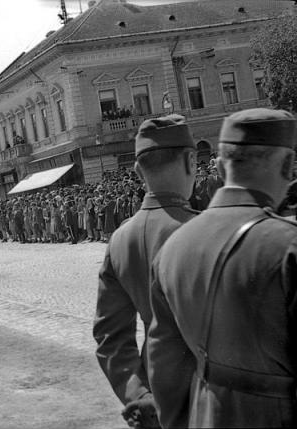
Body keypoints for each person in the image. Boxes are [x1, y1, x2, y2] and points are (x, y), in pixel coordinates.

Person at [147, 108, 297, 428]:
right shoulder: (287, 245)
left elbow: (164, 367)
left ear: (218, 166)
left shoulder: (171, 249)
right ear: (288, 165)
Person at [93, 114, 197, 429]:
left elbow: (110, 336)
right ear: (191, 161)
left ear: (139, 171)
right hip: (205, 393)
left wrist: (137, 395)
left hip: (152, 392)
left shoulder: (121, 239)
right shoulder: (201, 231)